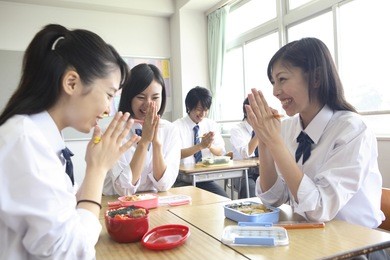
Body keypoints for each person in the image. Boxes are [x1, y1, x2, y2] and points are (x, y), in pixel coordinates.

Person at [0, 24, 138, 259]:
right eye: (108, 95)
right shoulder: (25, 140)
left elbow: (68, 211)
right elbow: (70, 250)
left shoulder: (42, 136)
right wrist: (97, 169)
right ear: (71, 83)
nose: (108, 110)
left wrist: (96, 162)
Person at [245, 37, 384, 229]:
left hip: (357, 248)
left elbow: (319, 209)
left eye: (282, 79)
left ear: (316, 77)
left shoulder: (352, 130)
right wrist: (264, 140)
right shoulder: (288, 127)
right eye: (273, 82)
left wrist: (275, 141)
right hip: (310, 237)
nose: (276, 91)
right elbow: (273, 199)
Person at [103, 63, 181, 195]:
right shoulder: (114, 131)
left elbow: (164, 185)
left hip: (154, 203)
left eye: (155, 97)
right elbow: (124, 189)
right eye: (141, 97)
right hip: (115, 203)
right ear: (129, 97)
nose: (148, 104)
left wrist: (156, 143)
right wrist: (144, 141)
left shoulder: (170, 129)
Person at [173, 86, 228, 197]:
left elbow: (221, 152)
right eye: (199, 109)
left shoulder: (210, 124)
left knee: (224, 199)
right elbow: (175, 154)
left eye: (206, 109)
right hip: (182, 181)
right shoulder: (176, 126)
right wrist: (200, 146)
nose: (202, 113)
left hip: (205, 179)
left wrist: (209, 146)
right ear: (189, 106)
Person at [229, 97, 260, 198]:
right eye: (255, 111)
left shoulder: (265, 128)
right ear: (246, 112)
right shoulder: (237, 130)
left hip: (261, 170)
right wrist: (260, 132)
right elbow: (246, 153)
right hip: (242, 173)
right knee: (251, 188)